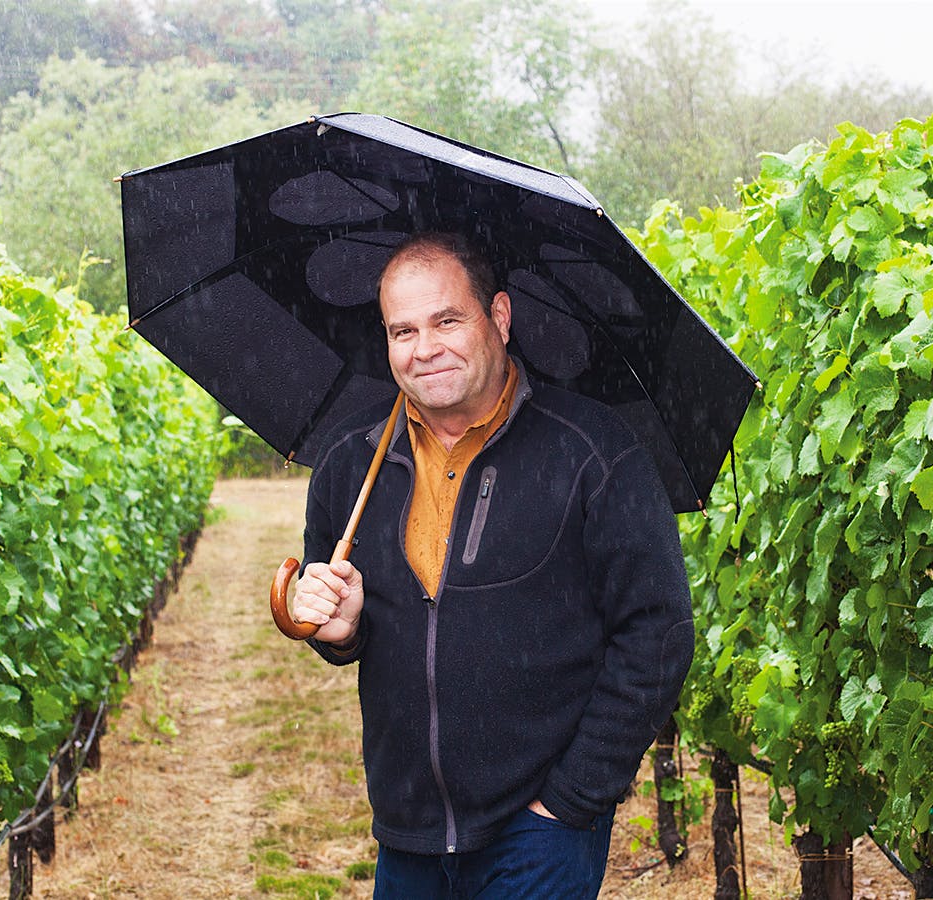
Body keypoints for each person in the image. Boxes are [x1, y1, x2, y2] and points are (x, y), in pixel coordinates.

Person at [290, 232, 693, 899]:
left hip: (538, 832)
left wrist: (571, 799)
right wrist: (339, 631)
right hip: (405, 829)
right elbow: (345, 626)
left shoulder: (594, 453)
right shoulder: (349, 462)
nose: (425, 349)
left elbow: (658, 632)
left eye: (448, 320)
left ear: (499, 317)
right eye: (403, 330)